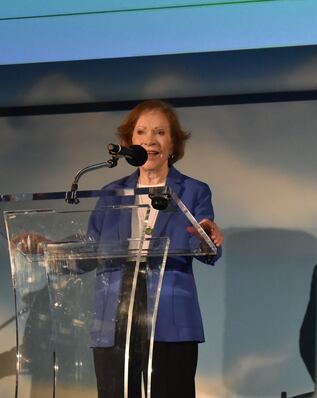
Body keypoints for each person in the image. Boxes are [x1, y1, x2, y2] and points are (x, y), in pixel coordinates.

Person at [88, 100, 223, 398]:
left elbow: (204, 241)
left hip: (170, 319)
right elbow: (89, 250)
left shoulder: (193, 190)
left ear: (172, 144)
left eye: (160, 132)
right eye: (141, 132)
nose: (150, 140)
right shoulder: (111, 194)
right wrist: (47, 249)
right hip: (115, 319)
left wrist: (207, 240)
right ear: (129, 143)